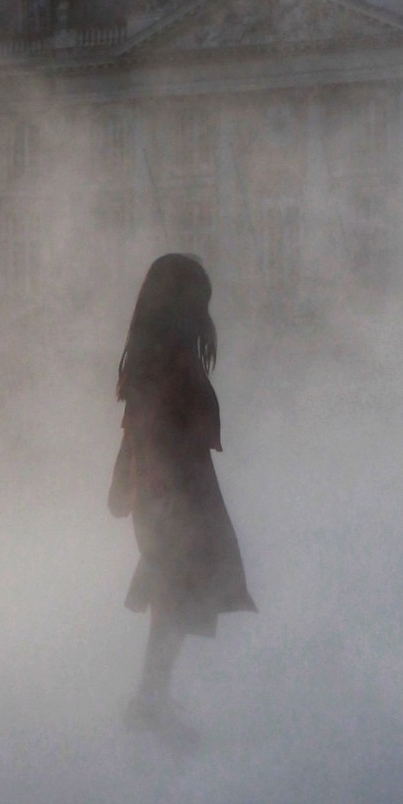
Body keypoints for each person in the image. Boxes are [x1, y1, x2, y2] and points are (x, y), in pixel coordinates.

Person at [108, 254, 253, 740]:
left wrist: (125, 488)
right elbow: (145, 430)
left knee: (177, 596)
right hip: (175, 494)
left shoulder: (156, 356)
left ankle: (152, 700)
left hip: (172, 492)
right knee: (175, 594)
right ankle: (149, 705)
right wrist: (161, 502)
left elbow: (135, 429)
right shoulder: (169, 360)